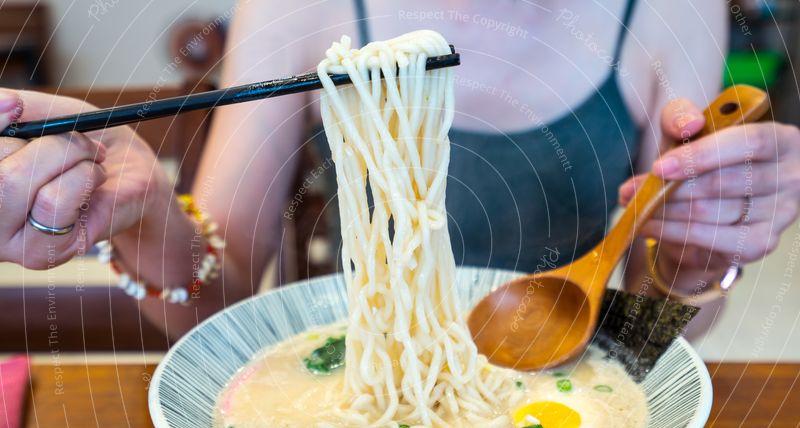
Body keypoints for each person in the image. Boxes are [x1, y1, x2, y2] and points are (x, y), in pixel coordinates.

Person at [0, 0, 798, 340]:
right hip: (343, 394)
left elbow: (653, 334)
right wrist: (145, 215)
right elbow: (225, 287)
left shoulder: (667, 9)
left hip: (565, 388)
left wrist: (693, 264)